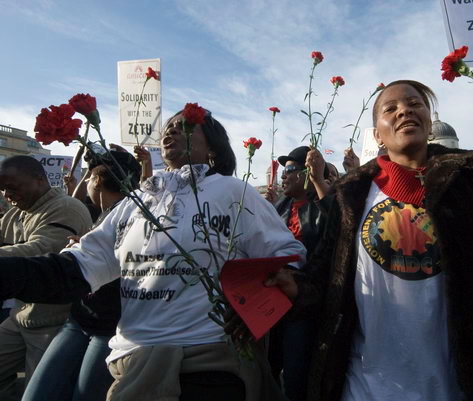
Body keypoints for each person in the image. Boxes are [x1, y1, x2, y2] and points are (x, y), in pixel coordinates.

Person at [266, 80, 473, 401]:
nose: (404, 111)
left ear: (428, 119)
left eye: (414, 104)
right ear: (378, 134)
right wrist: (293, 286)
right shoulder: (348, 196)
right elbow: (327, 283)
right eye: (390, 108)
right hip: (367, 385)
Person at [0, 107, 305, 401]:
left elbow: (288, 257)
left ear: (213, 145)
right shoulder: (139, 200)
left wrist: (253, 305)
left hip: (209, 360)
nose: (171, 128)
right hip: (133, 362)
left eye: (185, 124)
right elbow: (79, 266)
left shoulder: (234, 192)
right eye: (168, 125)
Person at [22, 150, 141, 401]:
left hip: (107, 328)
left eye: (89, 179)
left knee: (85, 396)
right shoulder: (102, 212)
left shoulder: (133, 215)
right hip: (78, 320)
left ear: (97, 182)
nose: (86, 183)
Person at [0, 155, 92, 401]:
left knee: (41, 393)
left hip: (55, 321)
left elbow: (40, 252)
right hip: (20, 316)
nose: (7, 195)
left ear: (39, 180)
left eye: (13, 187)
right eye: (3, 189)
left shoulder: (66, 208)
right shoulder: (14, 214)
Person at [268, 146, 331, 401]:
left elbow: (339, 226)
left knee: (295, 374)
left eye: (291, 170)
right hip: (273, 299)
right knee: (269, 367)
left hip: (304, 302)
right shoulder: (278, 207)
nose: (285, 175)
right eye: (284, 170)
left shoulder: (324, 206)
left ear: (307, 174)